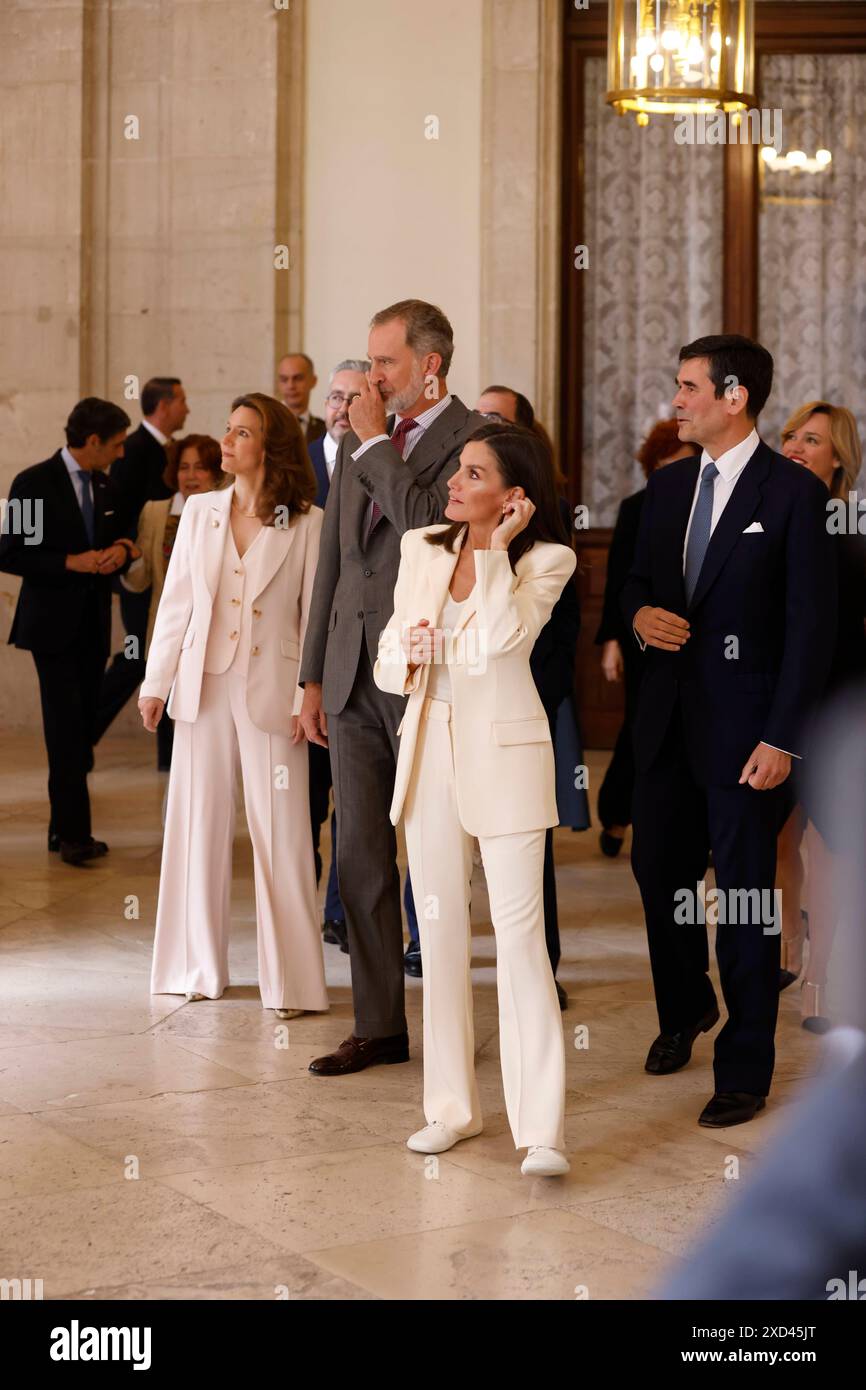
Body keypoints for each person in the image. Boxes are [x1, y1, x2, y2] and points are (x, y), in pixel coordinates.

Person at [622, 334, 836, 1128]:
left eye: (687, 386)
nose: (676, 400)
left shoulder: (793, 495)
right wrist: (640, 618)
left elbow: (811, 629)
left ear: (734, 395)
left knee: (746, 904)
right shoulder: (669, 487)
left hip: (750, 740)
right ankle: (685, 1010)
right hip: (665, 731)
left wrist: (783, 740)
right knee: (657, 874)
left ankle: (744, 1066)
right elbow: (636, 587)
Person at [373, 422, 575, 1176]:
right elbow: (390, 651)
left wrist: (493, 552)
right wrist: (410, 655)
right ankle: (450, 1110)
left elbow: (502, 642)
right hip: (429, 754)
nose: (454, 483)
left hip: (510, 760)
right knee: (440, 937)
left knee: (522, 945)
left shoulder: (547, 559)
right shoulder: (421, 547)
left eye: (474, 474)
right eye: (458, 470)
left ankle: (543, 1131)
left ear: (513, 494)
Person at [299, 298, 485, 1076]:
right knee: (361, 860)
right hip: (349, 674)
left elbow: (426, 531)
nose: (370, 379)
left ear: (429, 367)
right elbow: (335, 565)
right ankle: (377, 1025)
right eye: (369, 363)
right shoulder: (354, 441)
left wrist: (375, 442)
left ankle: (446, 1021)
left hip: (427, 678)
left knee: (435, 859)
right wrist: (310, 674)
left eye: (386, 364)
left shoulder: (473, 441)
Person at [138, 394, 327, 1020]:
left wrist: (310, 693)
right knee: (196, 823)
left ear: (268, 447)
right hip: (204, 685)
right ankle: (195, 968)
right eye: (227, 430)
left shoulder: (307, 522)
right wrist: (155, 682)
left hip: (273, 693)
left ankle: (292, 985)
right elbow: (178, 602)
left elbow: (313, 617)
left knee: (283, 837)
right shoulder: (200, 512)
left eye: (240, 432)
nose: (225, 441)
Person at [475, 385, 589, 1009]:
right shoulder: (454, 516)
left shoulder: (554, 529)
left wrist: (532, 702)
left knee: (526, 841)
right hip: (458, 704)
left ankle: (539, 966)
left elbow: (556, 634)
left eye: (497, 419)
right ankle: (425, 943)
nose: (483, 425)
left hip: (525, 700)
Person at [0, 397, 137, 864]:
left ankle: (62, 829)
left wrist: (121, 549)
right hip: (50, 629)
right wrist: (69, 562)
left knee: (77, 730)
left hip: (92, 627)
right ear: (92, 441)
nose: (122, 453)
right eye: (116, 444)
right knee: (65, 731)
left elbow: (122, 533)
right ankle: (75, 835)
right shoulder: (33, 483)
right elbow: (11, 554)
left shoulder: (104, 482)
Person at [775, 402, 866, 1029]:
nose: (798, 447)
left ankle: (820, 976)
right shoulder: (770, 512)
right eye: (790, 436)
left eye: (814, 440)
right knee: (779, 837)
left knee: (829, 843)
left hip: (838, 699)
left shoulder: (856, 524)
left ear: (840, 458)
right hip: (777, 697)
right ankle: (785, 949)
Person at [594, 419, 696, 857]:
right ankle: (617, 813)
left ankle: (687, 825)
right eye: (668, 463)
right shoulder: (638, 506)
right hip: (644, 641)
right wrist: (615, 641)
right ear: (654, 465)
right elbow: (622, 578)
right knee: (641, 730)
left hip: (696, 639)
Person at [95, 377, 190, 743]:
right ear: (163, 406)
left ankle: (168, 753)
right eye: (182, 401)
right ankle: (83, 730)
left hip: (162, 576)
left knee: (155, 660)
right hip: (141, 578)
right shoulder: (133, 449)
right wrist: (127, 552)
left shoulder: (163, 447)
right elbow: (119, 511)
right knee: (138, 658)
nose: (187, 408)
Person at [120, 433, 223, 770]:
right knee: (166, 721)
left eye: (200, 468)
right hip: (167, 630)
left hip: (215, 637)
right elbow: (142, 579)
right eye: (184, 467)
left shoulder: (228, 510)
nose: (190, 476)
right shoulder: (154, 511)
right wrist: (129, 559)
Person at [276, 354, 325, 444]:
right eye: (284, 379)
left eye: (298, 378)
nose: (290, 386)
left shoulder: (324, 430)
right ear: (278, 384)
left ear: (313, 381)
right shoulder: (267, 425)